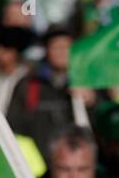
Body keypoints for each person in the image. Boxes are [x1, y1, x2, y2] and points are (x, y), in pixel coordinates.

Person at [5, 26, 77, 156]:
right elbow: (13, 126)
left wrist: (92, 102)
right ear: (47, 50)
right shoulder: (28, 84)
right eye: (56, 47)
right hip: (37, 167)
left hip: (74, 166)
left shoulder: (86, 83)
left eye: (66, 47)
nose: (62, 52)